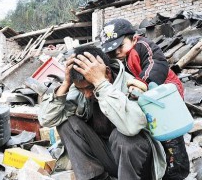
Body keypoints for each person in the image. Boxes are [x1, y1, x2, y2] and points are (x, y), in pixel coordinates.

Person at [38, 45, 166, 180]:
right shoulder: (81, 91)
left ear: (107, 73)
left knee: (122, 138)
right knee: (67, 124)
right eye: (81, 89)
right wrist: (66, 84)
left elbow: (132, 128)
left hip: (138, 166)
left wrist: (100, 84)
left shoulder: (130, 86)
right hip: (109, 158)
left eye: (90, 87)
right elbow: (47, 120)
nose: (86, 95)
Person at [100, 18, 190, 180]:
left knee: (171, 137)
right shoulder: (118, 61)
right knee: (158, 136)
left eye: (120, 46)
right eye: (112, 50)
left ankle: (177, 171)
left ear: (133, 38)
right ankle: (161, 170)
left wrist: (143, 82)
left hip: (165, 97)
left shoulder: (143, 46)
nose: (117, 52)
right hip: (148, 103)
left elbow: (156, 63)